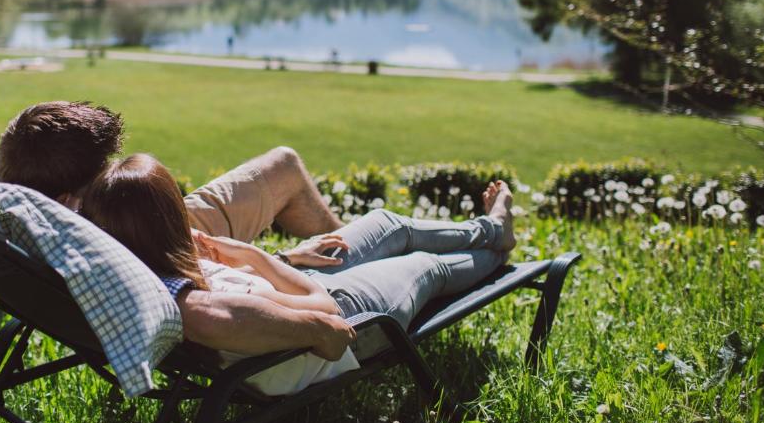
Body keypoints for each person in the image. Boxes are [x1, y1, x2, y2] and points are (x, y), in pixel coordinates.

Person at [81, 153, 516, 394]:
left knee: (388, 224)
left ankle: (491, 229)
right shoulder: (205, 309)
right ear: (169, 217)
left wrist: (288, 258)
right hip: (353, 316)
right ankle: (498, 249)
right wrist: (255, 257)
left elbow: (261, 298)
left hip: (297, 285)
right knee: (427, 266)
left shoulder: (140, 265)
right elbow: (326, 315)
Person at [0, 101, 356, 360]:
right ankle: (354, 267)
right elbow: (204, 301)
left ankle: (350, 256)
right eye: (105, 175)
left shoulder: (19, 222)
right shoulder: (122, 260)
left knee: (284, 162)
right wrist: (275, 263)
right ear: (67, 203)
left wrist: (279, 259)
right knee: (286, 166)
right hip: (147, 232)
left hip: (147, 235)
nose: (116, 172)